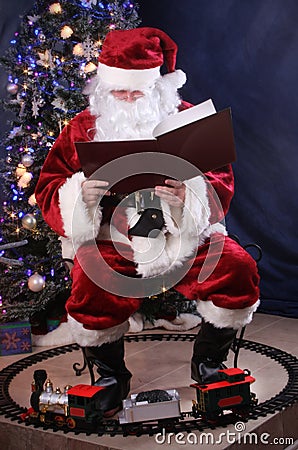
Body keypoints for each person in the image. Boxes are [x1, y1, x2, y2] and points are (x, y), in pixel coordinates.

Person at [35, 27, 260, 417]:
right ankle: (109, 376)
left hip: (179, 235)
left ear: (156, 88)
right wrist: (79, 196)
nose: (126, 100)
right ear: (104, 90)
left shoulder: (188, 119)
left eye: (135, 92)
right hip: (111, 236)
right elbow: (49, 187)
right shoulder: (81, 127)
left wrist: (190, 195)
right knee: (91, 283)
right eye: (118, 92)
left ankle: (208, 364)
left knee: (236, 267)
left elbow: (220, 178)